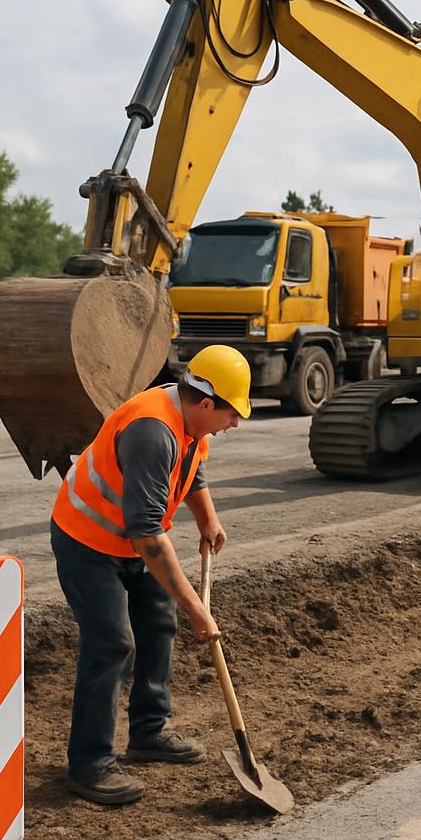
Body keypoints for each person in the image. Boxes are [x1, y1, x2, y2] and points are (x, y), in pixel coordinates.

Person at [50, 344, 251, 804]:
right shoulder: (152, 431)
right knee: (111, 644)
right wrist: (199, 610)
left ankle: (148, 731)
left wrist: (207, 519)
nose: (235, 423)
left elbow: (191, 470)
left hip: (130, 541)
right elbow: (149, 538)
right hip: (87, 542)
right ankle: (89, 764)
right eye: (232, 413)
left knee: (159, 622)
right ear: (206, 403)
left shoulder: (187, 418)